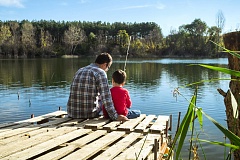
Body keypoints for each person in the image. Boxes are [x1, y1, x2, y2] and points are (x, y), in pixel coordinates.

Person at [67, 53, 128, 122]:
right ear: (105, 64)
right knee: (106, 98)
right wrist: (115, 116)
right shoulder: (100, 72)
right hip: (88, 114)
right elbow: (106, 98)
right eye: (108, 67)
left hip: (72, 113)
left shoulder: (80, 70)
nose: (107, 70)